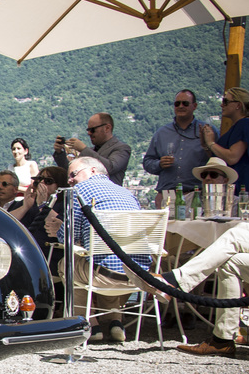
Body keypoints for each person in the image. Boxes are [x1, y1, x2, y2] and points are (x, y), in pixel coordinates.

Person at [131, 171, 249, 358]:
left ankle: (174, 283)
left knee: (233, 250)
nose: (208, 178)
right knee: (233, 243)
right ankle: (221, 339)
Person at [44, 156, 149, 342]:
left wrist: (59, 228)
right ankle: (114, 322)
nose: (69, 180)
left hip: (103, 275)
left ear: (92, 170)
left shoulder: (80, 192)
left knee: (69, 264)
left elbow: (69, 237)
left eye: (73, 174)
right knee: (107, 259)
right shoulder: (127, 193)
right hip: (138, 275)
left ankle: (88, 325)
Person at [200, 87, 249, 216]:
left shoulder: (245, 125)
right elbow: (220, 160)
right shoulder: (242, 126)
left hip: (246, 192)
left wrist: (211, 143)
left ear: (238, 105)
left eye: (226, 101)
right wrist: (207, 145)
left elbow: (232, 157)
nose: (222, 104)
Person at [143, 90, 215, 198]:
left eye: (185, 103)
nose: (180, 106)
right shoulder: (162, 133)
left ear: (194, 106)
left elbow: (218, 159)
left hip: (197, 194)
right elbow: (147, 162)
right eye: (177, 104)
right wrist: (159, 164)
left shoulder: (207, 131)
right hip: (167, 194)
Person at [53, 113, 131, 185]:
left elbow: (110, 168)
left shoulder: (122, 148)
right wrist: (60, 153)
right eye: (88, 130)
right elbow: (72, 173)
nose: (89, 133)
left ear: (107, 128)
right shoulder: (91, 151)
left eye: (92, 130)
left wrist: (84, 150)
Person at [10, 166, 66, 251]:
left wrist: (42, 204)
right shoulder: (29, 202)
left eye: (48, 181)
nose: (42, 184)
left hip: (50, 254)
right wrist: (25, 207)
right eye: (39, 180)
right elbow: (7, 221)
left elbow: (58, 226)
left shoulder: (63, 205)